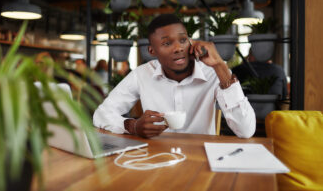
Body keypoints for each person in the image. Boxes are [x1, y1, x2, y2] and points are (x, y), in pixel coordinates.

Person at [93, 14, 256, 138]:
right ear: (152, 51)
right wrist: (132, 126)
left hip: (201, 160)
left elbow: (246, 131)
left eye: (183, 40)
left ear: (190, 42)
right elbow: (101, 115)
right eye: (167, 43)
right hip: (158, 157)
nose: (178, 48)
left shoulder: (212, 72)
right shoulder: (141, 75)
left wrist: (220, 65)